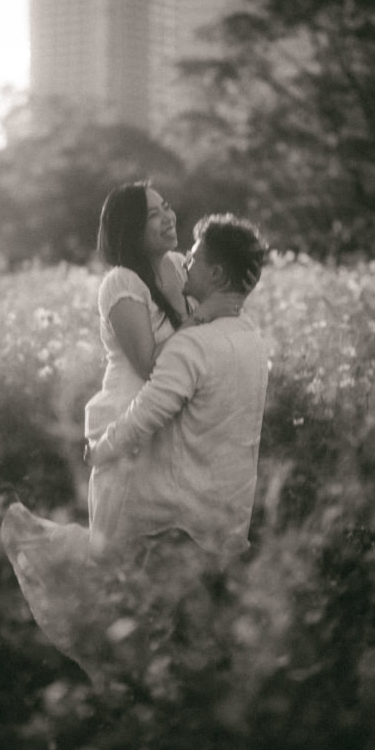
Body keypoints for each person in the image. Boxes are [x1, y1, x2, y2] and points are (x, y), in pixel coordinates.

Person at [0, 183, 243, 676]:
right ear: (130, 229)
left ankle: (159, 667)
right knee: (113, 557)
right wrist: (204, 323)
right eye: (154, 214)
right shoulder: (120, 283)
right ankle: (23, 535)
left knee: (163, 551)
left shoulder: (178, 266)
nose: (168, 217)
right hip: (128, 426)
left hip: (173, 429)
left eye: (167, 206)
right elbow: (152, 364)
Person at [87, 213, 269, 562]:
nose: (185, 262)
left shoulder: (190, 346)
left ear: (216, 274)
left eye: (194, 258)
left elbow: (144, 416)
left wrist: (101, 450)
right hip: (232, 511)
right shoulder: (252, 337)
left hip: (184, 520)